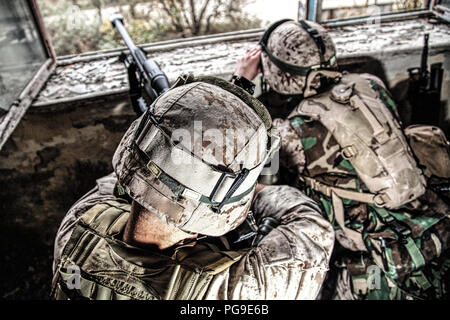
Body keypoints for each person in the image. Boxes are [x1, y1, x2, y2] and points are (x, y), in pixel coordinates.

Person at [51, 74, 335, 300]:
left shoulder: (77, 225)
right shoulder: (246, 288)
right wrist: (253, 193)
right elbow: (312, 227)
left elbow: (130, 177)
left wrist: (184, 128)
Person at [232, 18, 450, 300]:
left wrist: (241, 81)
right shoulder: (371, 85)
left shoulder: (292, 133)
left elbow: (235, 145)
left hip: (361, 247)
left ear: (277, 73)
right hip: (417, 211)